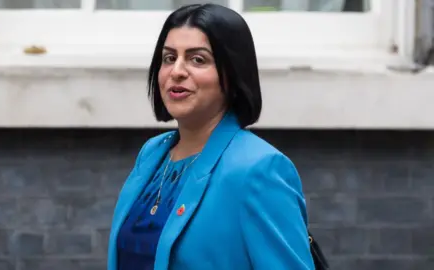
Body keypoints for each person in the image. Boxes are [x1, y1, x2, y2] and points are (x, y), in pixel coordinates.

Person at [107, 3, 314, 270]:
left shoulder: (259, 169)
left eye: (197, 59)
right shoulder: (152, 154)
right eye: (169, 58)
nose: (177, 71)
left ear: (232, 74)